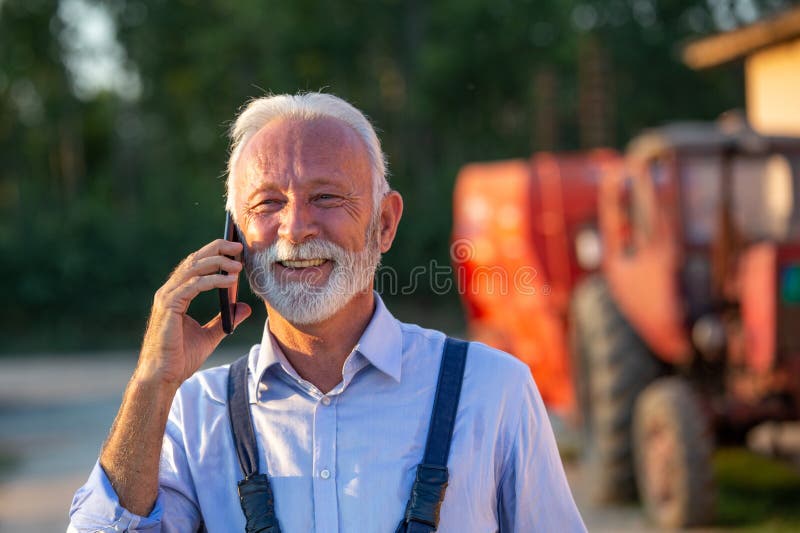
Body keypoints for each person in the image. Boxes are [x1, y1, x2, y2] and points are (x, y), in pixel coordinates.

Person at [68, 92, 586, 532]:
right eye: (267, 203)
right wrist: (151, 383)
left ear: (384, 223)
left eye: (326, 197)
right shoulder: (193, 415)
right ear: (235, 238)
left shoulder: (493, 392)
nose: (296, 228)